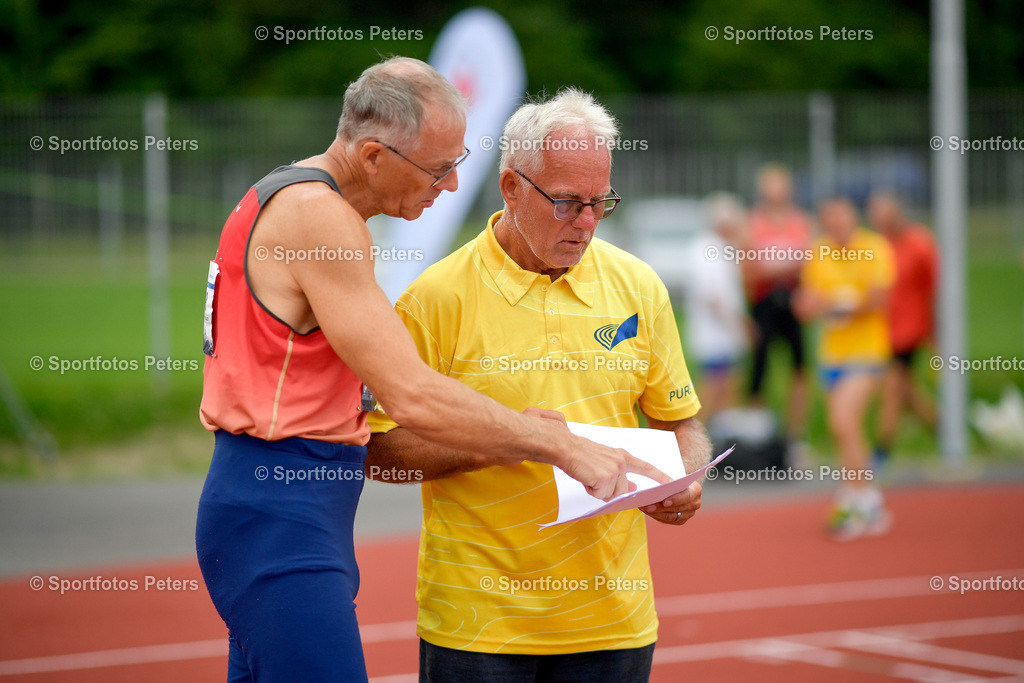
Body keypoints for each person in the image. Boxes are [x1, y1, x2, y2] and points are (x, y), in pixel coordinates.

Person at [194, 59, 668, 683]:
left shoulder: (286, 194)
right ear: (372, 156)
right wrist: (556, 443)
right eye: (438, 167)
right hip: (281, 505)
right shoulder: (319, 216)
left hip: (276, 499)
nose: (451, 185)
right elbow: (411, 393)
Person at [366, 88, 712, 683]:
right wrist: (507, 440)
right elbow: (379, 452)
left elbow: (679, 421)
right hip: (478, 625)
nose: (587, 223)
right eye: (568, 203)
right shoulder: (434, 299)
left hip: (613, 620)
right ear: (511, 187)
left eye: (600, 203)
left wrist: (685, 479)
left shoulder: (639, 286)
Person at [795, 197, 895, 541]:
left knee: (844, 420)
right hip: (832, 356)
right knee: (845, 431)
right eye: (830, 219)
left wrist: (836, 301)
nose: (836, 225)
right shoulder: (818, 251)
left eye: (841, 218)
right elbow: (807, 302)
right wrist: (813, 304)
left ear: (853, 218)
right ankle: (859, 495)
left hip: (867, 352)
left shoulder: (873, 247)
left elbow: (878, 298)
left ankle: (863, 499)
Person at [867, 190, 938, 463]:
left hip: (909, 328)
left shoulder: (919, 244)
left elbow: (933, 288)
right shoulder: (876, 245)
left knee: (893, 386)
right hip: (882, 329)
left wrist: (934, 331)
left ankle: (882, 449)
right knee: (906, 392)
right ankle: (945, 428)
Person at [745, 164, 812, 448]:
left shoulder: (799, 221)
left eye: (780, 185)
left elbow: (809, 261)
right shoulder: (754, 222)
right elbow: (750, 267)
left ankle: (795, 434)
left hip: (793, 300)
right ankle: (757, 433)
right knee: (759, 367)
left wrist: (778, 266)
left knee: (799, 366)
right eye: (770, 186)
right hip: (764, 302)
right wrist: (782, 266)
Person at [686, 192, 750, 419]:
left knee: (726, 389)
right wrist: (739, 325)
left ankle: (721, 434)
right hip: (715, 335)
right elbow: (712, 297)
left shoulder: (719, 247)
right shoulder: (707, 250)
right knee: (714, 389)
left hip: (722, 335)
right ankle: (693, 434)